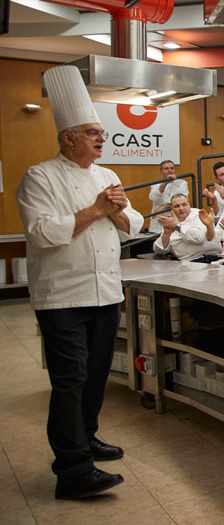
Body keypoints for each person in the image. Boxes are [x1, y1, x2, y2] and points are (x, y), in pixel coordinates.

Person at [16, 65, 143, 499]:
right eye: (92, 132)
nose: (101, 139)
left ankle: (87, 438)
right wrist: (95, 210)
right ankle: (72, 470)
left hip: (105, 292)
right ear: (67, 138)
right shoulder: (39, 177)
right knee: (69, 380)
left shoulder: (107, 175)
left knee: (94, 376)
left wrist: (117, 211)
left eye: (102, 133)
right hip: (62, 296)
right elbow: (42, 233)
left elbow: (132, 222)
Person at [153, 194, 219, 261]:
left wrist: (177, 227)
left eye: (184, 205)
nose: (181, 208)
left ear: (189, 205)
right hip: (184, 263)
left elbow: (199, 239)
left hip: (206, 260)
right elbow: (159, 250)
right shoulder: (171, 220)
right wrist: (166, 234)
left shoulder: (198, 215)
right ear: (171, 208)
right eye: (177, 206)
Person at [147, 159, 189, 231]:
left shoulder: (182, 183)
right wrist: (165, 182)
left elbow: (183, 200)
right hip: (159, 221)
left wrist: (164, 206)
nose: (170, 170)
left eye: (172, 168)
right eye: (166, 168)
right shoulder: (156, 184)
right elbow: (153, 197)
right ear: (161, 171)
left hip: (176, 218)